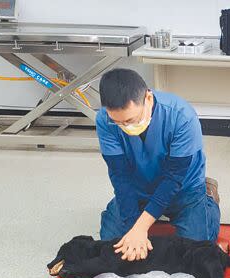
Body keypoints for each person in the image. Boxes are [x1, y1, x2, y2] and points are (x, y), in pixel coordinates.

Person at [95, 68, 221, 261]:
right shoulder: (105, 120)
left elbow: (174, 178)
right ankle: (142, 217)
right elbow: (119, 175)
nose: (126, 128)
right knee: (113, 246)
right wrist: (132, 228)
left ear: (148, 99)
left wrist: (142, 227)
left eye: (130, 120)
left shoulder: (181, 116)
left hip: (183, 189)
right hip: (139, 189)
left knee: (195, 251)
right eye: (118, 123)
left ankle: (207, 197)